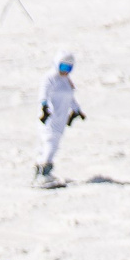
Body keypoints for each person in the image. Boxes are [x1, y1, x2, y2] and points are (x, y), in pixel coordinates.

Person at [35, 50, 81, 182]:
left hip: (60, 119)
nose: (65, 71)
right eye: (63, 67)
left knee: (54, 144)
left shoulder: (66, 81)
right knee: (49, 142)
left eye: (69, 68)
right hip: (50, 117)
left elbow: (71, 97)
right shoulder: (50, 78)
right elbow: (43, 94)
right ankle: (43, 173)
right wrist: (44, 107)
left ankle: (42, 171)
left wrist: (77, 110)